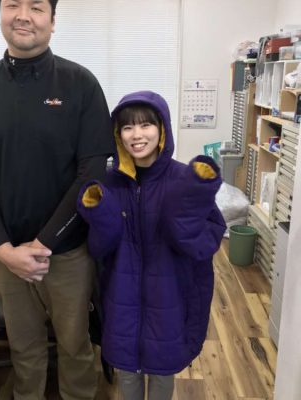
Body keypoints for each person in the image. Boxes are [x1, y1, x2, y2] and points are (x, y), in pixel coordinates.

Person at [0, 0, 114, 399]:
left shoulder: (80, 84)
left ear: (52, 21)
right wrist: (4, 249)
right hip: (6, 255)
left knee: (75, 346)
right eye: (12, 5)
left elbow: (91, 176)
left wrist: (44, 243)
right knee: (23, 349)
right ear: (1, 15)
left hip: (67, 252)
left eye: (37, 7)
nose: (23, 15)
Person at [77, 91, 226, 400]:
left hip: (171, 295)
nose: (137, 134)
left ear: (162, 129)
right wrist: (100, 214)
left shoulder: (183, 179)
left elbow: (207, 239)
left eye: (145, 125)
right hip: (121, 296)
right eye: (127, 127)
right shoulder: (109, 183)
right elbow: (98, 248)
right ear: (118, 135)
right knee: (127, 372)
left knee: (162, 370)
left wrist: (183, 222)